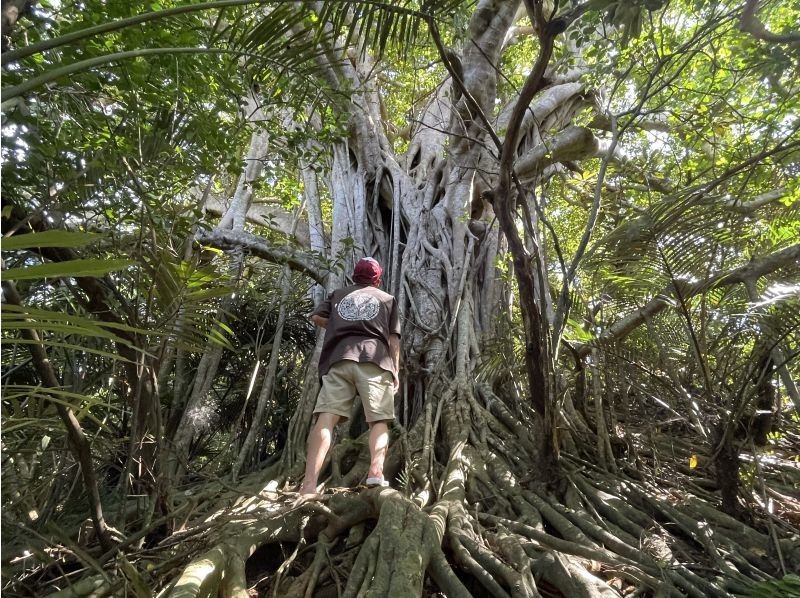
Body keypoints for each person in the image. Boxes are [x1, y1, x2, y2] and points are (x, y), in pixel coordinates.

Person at [300, 257, 400, 496]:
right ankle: (375, 473)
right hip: (375, 360)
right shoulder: (387, 299)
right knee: (379, 420)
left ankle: (309, 485)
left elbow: (317, 317)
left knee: (326, 418)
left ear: (354, 275)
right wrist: (396, 370)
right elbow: (393, 338)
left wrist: (339, 326)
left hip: (340, 358)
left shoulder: (338, 294)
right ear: (378, 278)